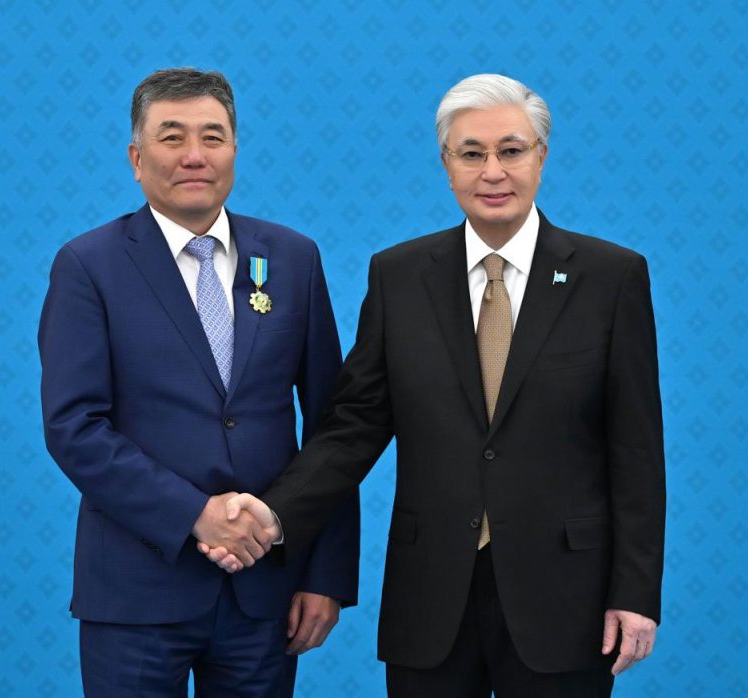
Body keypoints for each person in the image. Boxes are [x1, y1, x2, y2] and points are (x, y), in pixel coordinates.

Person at [204, 73, 666, 697]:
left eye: (511, 150)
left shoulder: (610, 278)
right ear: (447, 166)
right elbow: (353, 428)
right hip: (431, 597)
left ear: (541, 157)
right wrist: (272, 513)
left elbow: (635, 451)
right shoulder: (399, 276)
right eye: (471, 153)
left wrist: (635, 593)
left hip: (566, 596)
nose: (492, 171)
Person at [38, 67, 359, 697]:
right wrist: (195, 516)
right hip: (136, 589)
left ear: (234, 150)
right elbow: (74, 427)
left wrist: (324, 574)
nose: (194, 155)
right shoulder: (88, 265)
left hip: (265, 591)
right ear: (137, 158)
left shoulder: (293, 258)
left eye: (212, 137)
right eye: (172, 137)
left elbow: (334, 426)